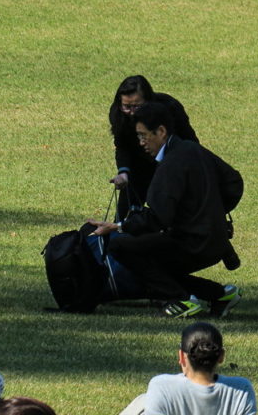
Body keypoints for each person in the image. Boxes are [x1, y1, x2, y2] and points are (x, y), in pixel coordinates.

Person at [90, 102, 243, 319]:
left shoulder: (172, 163)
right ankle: (218, 294)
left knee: (122, 247)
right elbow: (234, 182)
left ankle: (182, 299)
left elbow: (157, 218)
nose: (141, 143)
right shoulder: (192, 149)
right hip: (215, 240)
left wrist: (118, 226)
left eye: (144, 136)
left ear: (161, 131)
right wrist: (214, 211)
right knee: (155, 264)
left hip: (194, 243)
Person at [109, 76, 199, 221]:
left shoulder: (170, 108)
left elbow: (189, 142)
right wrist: (123, 171)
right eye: (126, 106)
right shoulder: (118, 113)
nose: (131, 112)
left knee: (167, 217)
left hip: (171, 167)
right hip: (139, 167)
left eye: (137, 106)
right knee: (123, 218)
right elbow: (122, 145)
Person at [119, 322, 256, 415]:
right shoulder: (242, 390)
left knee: (143, 400)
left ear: (182, 357)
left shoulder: (162, 386)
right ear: (221, 356)